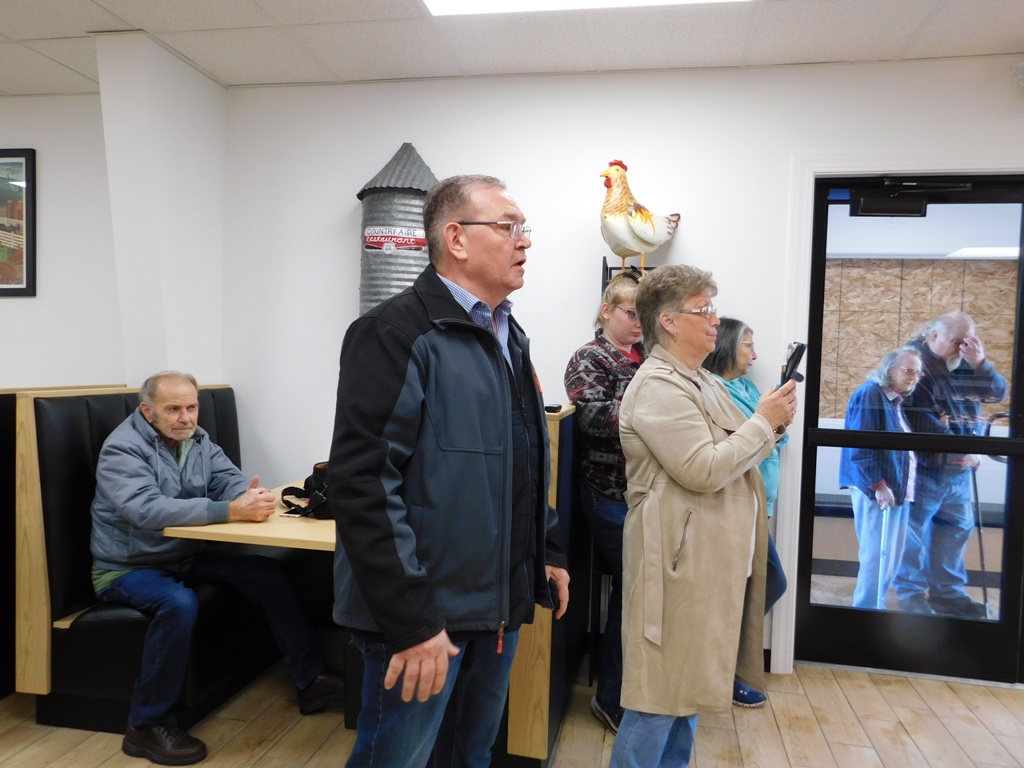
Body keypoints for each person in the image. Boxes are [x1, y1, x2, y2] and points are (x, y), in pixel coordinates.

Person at [328, 174, 570, 768]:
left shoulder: (509, 336)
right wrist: (411, 622)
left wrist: (546, 549)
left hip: (495, 608)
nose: (524, 240)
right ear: (456, 239)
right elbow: (361, 484)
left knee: (471, 756)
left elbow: (521, 459)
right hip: (423, 619)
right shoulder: (394, 333)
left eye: (524, 228)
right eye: (509, 226)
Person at [91, 371, 344, 767]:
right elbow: (146, 510)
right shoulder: (122, 450)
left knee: (265, 574)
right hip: (126, 567)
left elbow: (228, 479)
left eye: (191, 407)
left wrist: (249, 497)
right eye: (173, 409)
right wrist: (229, 510)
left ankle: (311, 680)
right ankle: (145, 725)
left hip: (183, 555)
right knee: (178, 603)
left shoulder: (197, 439)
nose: (186, 417)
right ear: (147, 411)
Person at [612, 265, 797, 767]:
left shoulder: (703, 380)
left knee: (688, 694)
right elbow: (703, 468)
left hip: (704, 562)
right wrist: (764, 423)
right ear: (668, 321)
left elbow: (742, 445)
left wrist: (772, 421)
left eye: (713, 309)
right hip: (674, 564)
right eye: (703, 310)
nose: (715, 320)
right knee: (657, 700)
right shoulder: (658, 386)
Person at [564, 270, 646, 733]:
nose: (639, 323)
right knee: (634, 588)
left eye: (643, 315)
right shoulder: (590, 357)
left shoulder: (647, 356)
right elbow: (593, 418)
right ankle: (611, 698)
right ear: (606, 311)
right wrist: (655, 412)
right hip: (608, 492)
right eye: (631, 313)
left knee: (635, 590)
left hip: (643, 493)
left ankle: (625, 692)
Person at [894, 311, 1007, 618]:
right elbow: (917, 417)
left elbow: (998, 393)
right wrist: (963, 448)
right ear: (934, 336)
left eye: (969, 341)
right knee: (913, 534)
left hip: (958, 469)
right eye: (957, 341)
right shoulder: (913, 363)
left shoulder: (966, 361)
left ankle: (948, 595)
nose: (963, 348)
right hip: (925, 468)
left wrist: (980, 363)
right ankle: (911, 595)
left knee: (954, 532)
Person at [702, 317, 788, 707]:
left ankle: (724, 667)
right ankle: (720, 667)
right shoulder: (713, 389)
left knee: (758, 586)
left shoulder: (748, 388)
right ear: (725, 346)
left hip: (760, 502)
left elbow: (774, 439)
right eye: (747, 345)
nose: (754, 355)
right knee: (761, 584)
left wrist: (775, 425)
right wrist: (768, 427)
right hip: (735, 503)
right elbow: (742, 443)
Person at [839, 347, 923, 610]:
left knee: (891, 556)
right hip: (877, 489)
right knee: (876, 556)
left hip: (896, 489)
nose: (913, 376)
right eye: (908, 370)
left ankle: (875, 608)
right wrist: (879, 485)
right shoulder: (871, 394)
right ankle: (865, 613)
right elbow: (860, 445)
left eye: (917, 372)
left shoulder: (893, 400)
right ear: (890, 369)